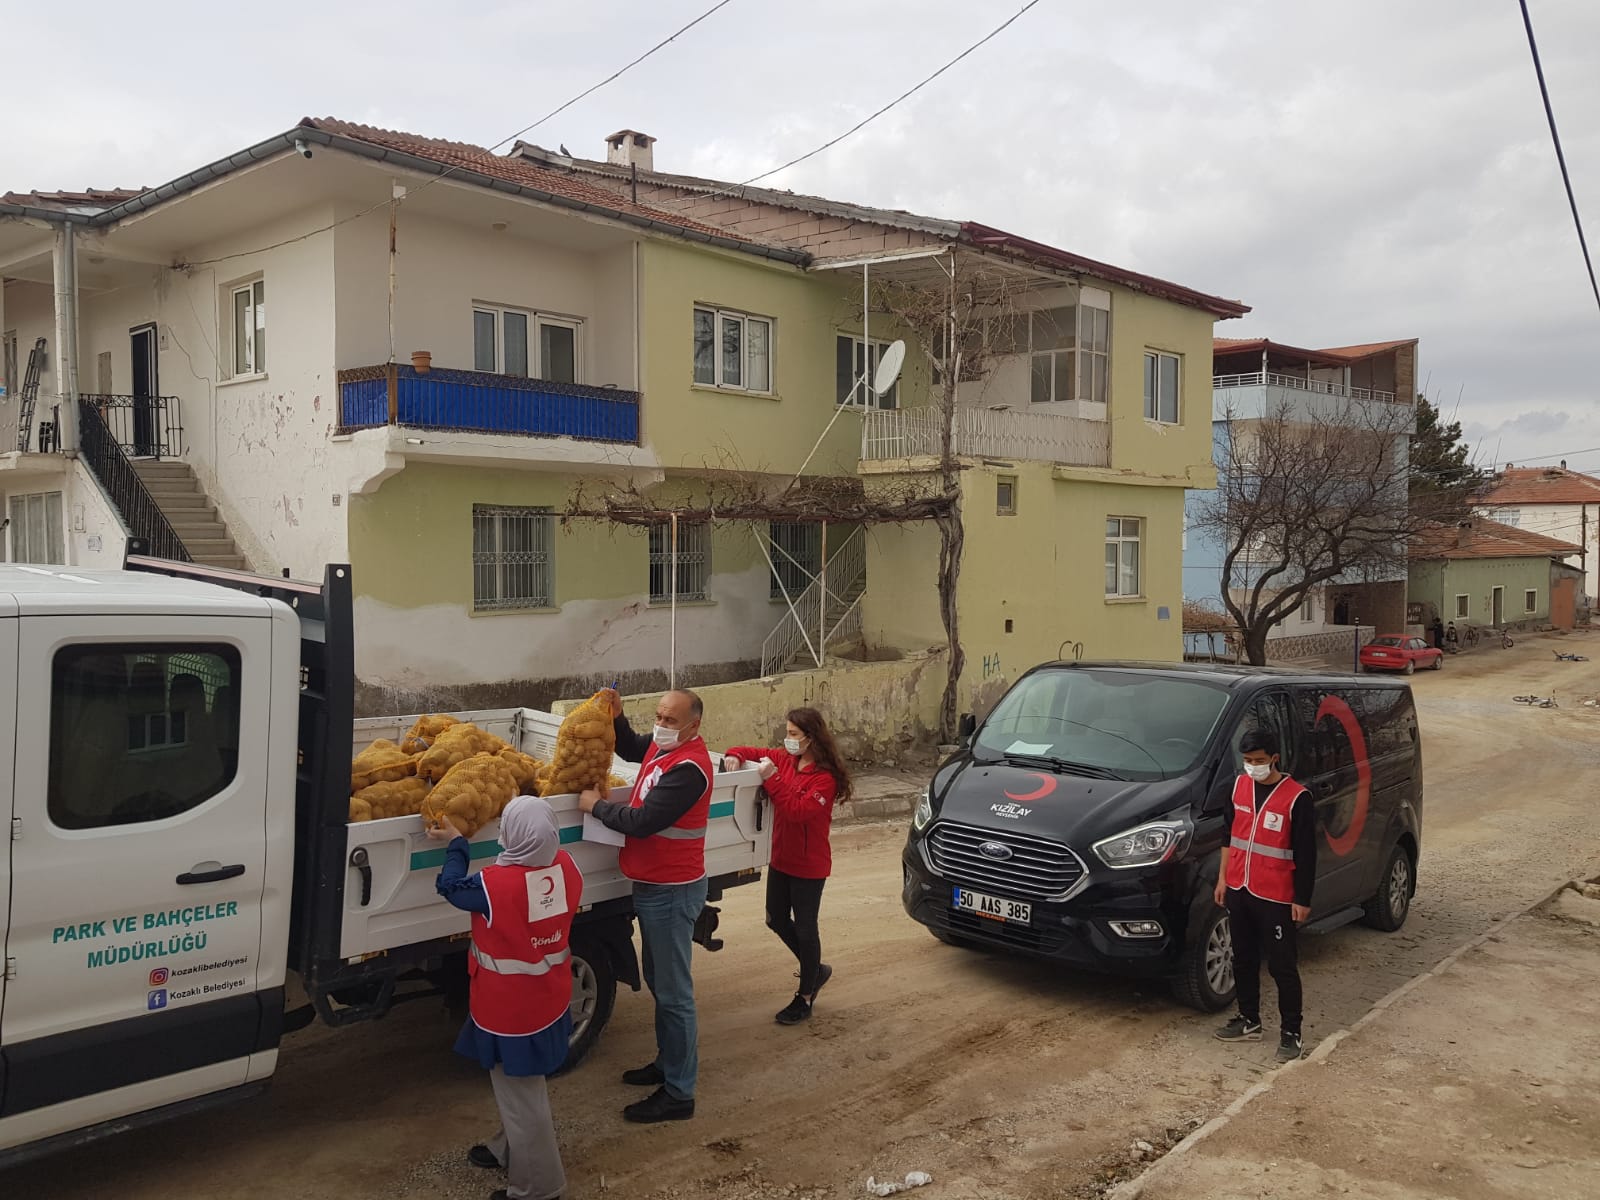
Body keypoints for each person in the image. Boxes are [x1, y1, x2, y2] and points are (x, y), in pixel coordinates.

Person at [431, 796, 580, 1200]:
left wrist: (457, 843)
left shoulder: (495, 886)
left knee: (523, 1098)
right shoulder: (567, 867)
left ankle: (540, 1188)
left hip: (510, 1013)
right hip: (549, 1000)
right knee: (521, 1090)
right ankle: (506, 1148)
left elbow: (450, 887)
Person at [578, 688, 712, 1124]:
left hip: (673, 891)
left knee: (674, 995)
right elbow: (635, 746)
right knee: (660, 981)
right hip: (654, 886)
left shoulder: (690, 769)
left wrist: (596, 807)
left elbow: (644, 821)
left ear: (693, 725)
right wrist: (617, 718)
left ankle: (679, 1093)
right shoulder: (665, 747)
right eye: (658, 716)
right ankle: (667, 1063)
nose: (661, 726)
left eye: (670, 720)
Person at [723, 708, 853, 1025]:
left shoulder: (825, 779)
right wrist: (734, 755)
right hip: (781, 859)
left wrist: (772, 779)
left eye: (794, 734)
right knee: (775, 919)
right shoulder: (785, 759)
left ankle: (805, 995)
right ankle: (816, 968)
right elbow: (751, 751)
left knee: (806, 928)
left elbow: (796, 810)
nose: (788, 739)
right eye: (787, 732)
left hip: (809, 866)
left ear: (812, 738)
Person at [1213, 729, 1316, 1064]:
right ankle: (1249, 1019)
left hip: (1276, 896)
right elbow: (1229, 836)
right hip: (1240, 888)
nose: (1252, 767)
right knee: (1242, 958)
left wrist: (1301, 899)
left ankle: (1292, 1033)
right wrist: (1222, 880)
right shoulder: (1239, 787)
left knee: (1282, 966)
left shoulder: (1297, 798)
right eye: (1247, 761)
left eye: (1258, 761)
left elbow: (1306, 854)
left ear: (1274, 758)